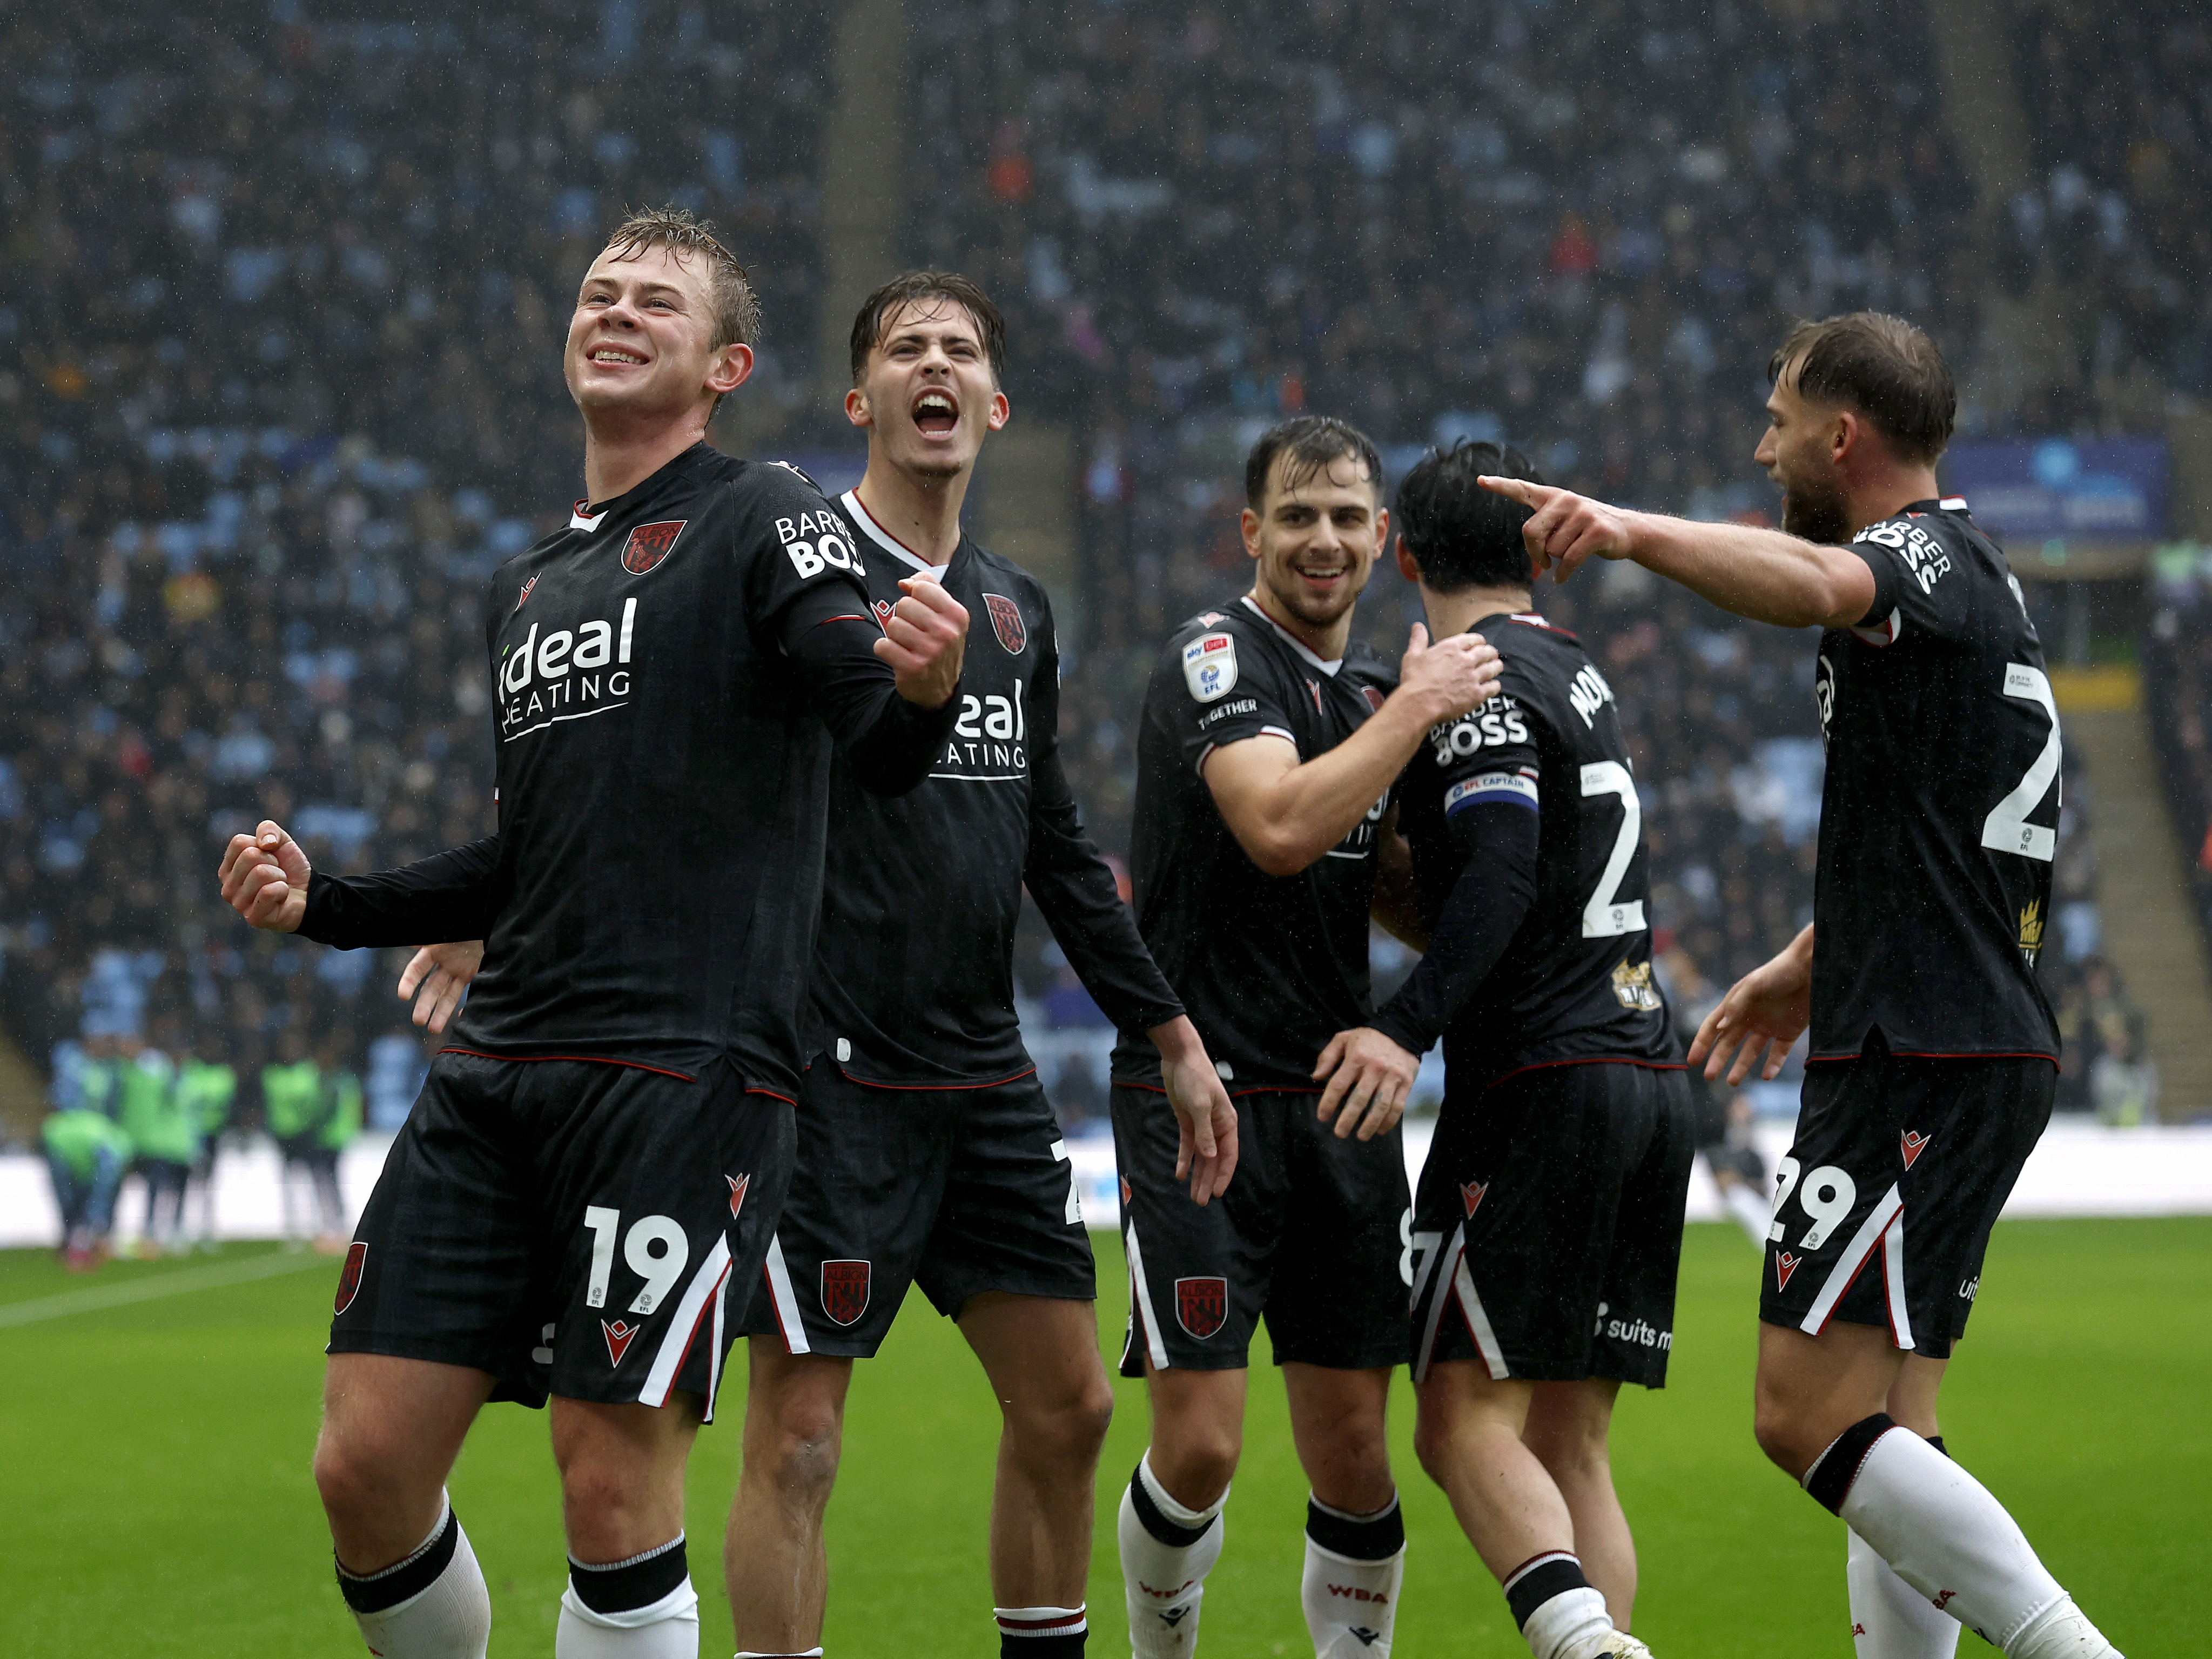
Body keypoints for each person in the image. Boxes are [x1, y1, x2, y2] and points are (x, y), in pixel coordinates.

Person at [400, 271, 1241, 1659]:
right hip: (820, 1068)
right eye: (905, 346)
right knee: (798, 1440)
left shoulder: (1016, 611)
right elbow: (624, 760)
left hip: (980, 1069)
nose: (935, 364)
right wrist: (499, 892)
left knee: (1075, 1404)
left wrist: (1168, 1029)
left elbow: (1056, 841)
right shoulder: (785, 552)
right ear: (861, 402)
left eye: (960, 349)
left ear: (994, 403)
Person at [216, 206, 967, 1659]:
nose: (614, 312)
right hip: (500, 1068)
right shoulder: (528, 584)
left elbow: (869, 736)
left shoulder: (767, 514)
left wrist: (922, 691)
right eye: (598, 293)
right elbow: (528, 854)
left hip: (678, 1072)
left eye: (655, 305)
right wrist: (333, 903)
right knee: (362, 1463)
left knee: (607, 1473)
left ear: (723, 364)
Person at [1482, 311, 2121, 1659]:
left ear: (1844, 436)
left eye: (1777, 422)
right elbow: (1943, 828)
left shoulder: (1910, 556)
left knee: (1799, 1413)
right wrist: (1803, 964)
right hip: (1962, 1028)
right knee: (1898, 1416)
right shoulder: (1982, 584)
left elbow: (1820, 586)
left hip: (1920, 1049)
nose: (1761, 446)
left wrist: (1632, 529)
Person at [1110, 415, 1502, 1659]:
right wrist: (1417, 710)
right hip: (1203, 1094)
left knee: (1354, 1454)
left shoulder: (1369, 693)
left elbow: (1363, 881)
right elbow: (1279, 824)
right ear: (1251, 531)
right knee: (1205, 1440)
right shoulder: (1218, 655)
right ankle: (1160, 1645)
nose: (1322, 539)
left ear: (1383, 538)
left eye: (1346, 517)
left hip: (1334, 1107)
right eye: (1296, 515)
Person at [1314, 440, 1691, 1659]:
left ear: (1399, 553)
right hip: (1645, 1069)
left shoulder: (1474, 681)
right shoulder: (1573, 671)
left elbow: (1504, 872)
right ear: (1537, 550)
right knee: (1570, 1439)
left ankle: (1586, 1647)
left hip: (1543, 1081)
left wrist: (1402, 1023)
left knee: (1457, 1417)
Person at [177, 1030, 240, 1250]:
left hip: (212, 1135)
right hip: (188, 1135)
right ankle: (181, 1229)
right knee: (184, 1183)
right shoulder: (192, 1070)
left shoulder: (224, 1074)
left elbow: (217, 1101)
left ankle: (206, 1229)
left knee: (207, 1184)